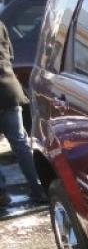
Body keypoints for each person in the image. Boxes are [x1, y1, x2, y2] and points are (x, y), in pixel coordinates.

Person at [0, 18, 45, 207]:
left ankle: (1, 195)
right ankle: (39, 189)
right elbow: (10, 56)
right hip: (8, 89)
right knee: (21, 144)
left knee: (20, 143)